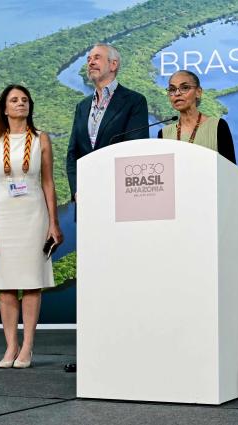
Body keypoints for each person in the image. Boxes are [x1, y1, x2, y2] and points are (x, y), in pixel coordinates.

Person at [64, 43, 149, 373]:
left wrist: (105, 187)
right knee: (92, 279)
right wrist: (77, 191)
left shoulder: (134, 101)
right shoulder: (83, 105)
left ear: (114, 64)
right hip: (88, 207)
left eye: (96, 58)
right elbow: (73, 154)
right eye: (87, 59)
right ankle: (92, 351)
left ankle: (127, 348)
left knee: (124, 276)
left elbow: (134, 151)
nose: (90, 63)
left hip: (120, 203)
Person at [0, 84, 63, 369]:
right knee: (5, 285)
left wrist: (54, 222)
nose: (20, 104)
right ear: (4, 108)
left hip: (33, 214)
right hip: (3, 216)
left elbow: (48, 183)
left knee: (30, 283)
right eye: (14, 100)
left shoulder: (41, 139)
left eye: (25, 100)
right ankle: (10, 347)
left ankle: (27, 347)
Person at [157, 70, 238, 261]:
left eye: (184, 88)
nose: (177, 94)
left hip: (213, 214)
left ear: (198, 92)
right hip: (179, 218)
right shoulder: (163, 133)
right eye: (172, 90)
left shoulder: (217, 126)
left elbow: (230, 175)